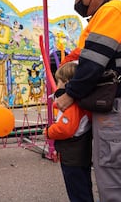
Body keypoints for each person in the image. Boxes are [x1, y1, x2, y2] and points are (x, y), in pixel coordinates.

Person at [55, 0, 121, 202]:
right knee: (120, 165)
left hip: (115, 101)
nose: (77, 3)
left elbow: (95, 59)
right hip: (118, 101)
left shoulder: (111, 11)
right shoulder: (112, 13)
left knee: (113, 168)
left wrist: (70, 93)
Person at [44, 62, 94, 202]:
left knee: (77, 192)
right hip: (80, 154)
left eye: (58, 82)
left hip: (73, 157)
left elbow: (65, 128)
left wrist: (49, 131)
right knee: (83, 187)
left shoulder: (72, 105)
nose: (57, 85)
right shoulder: (80, 101)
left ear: (67, 83)